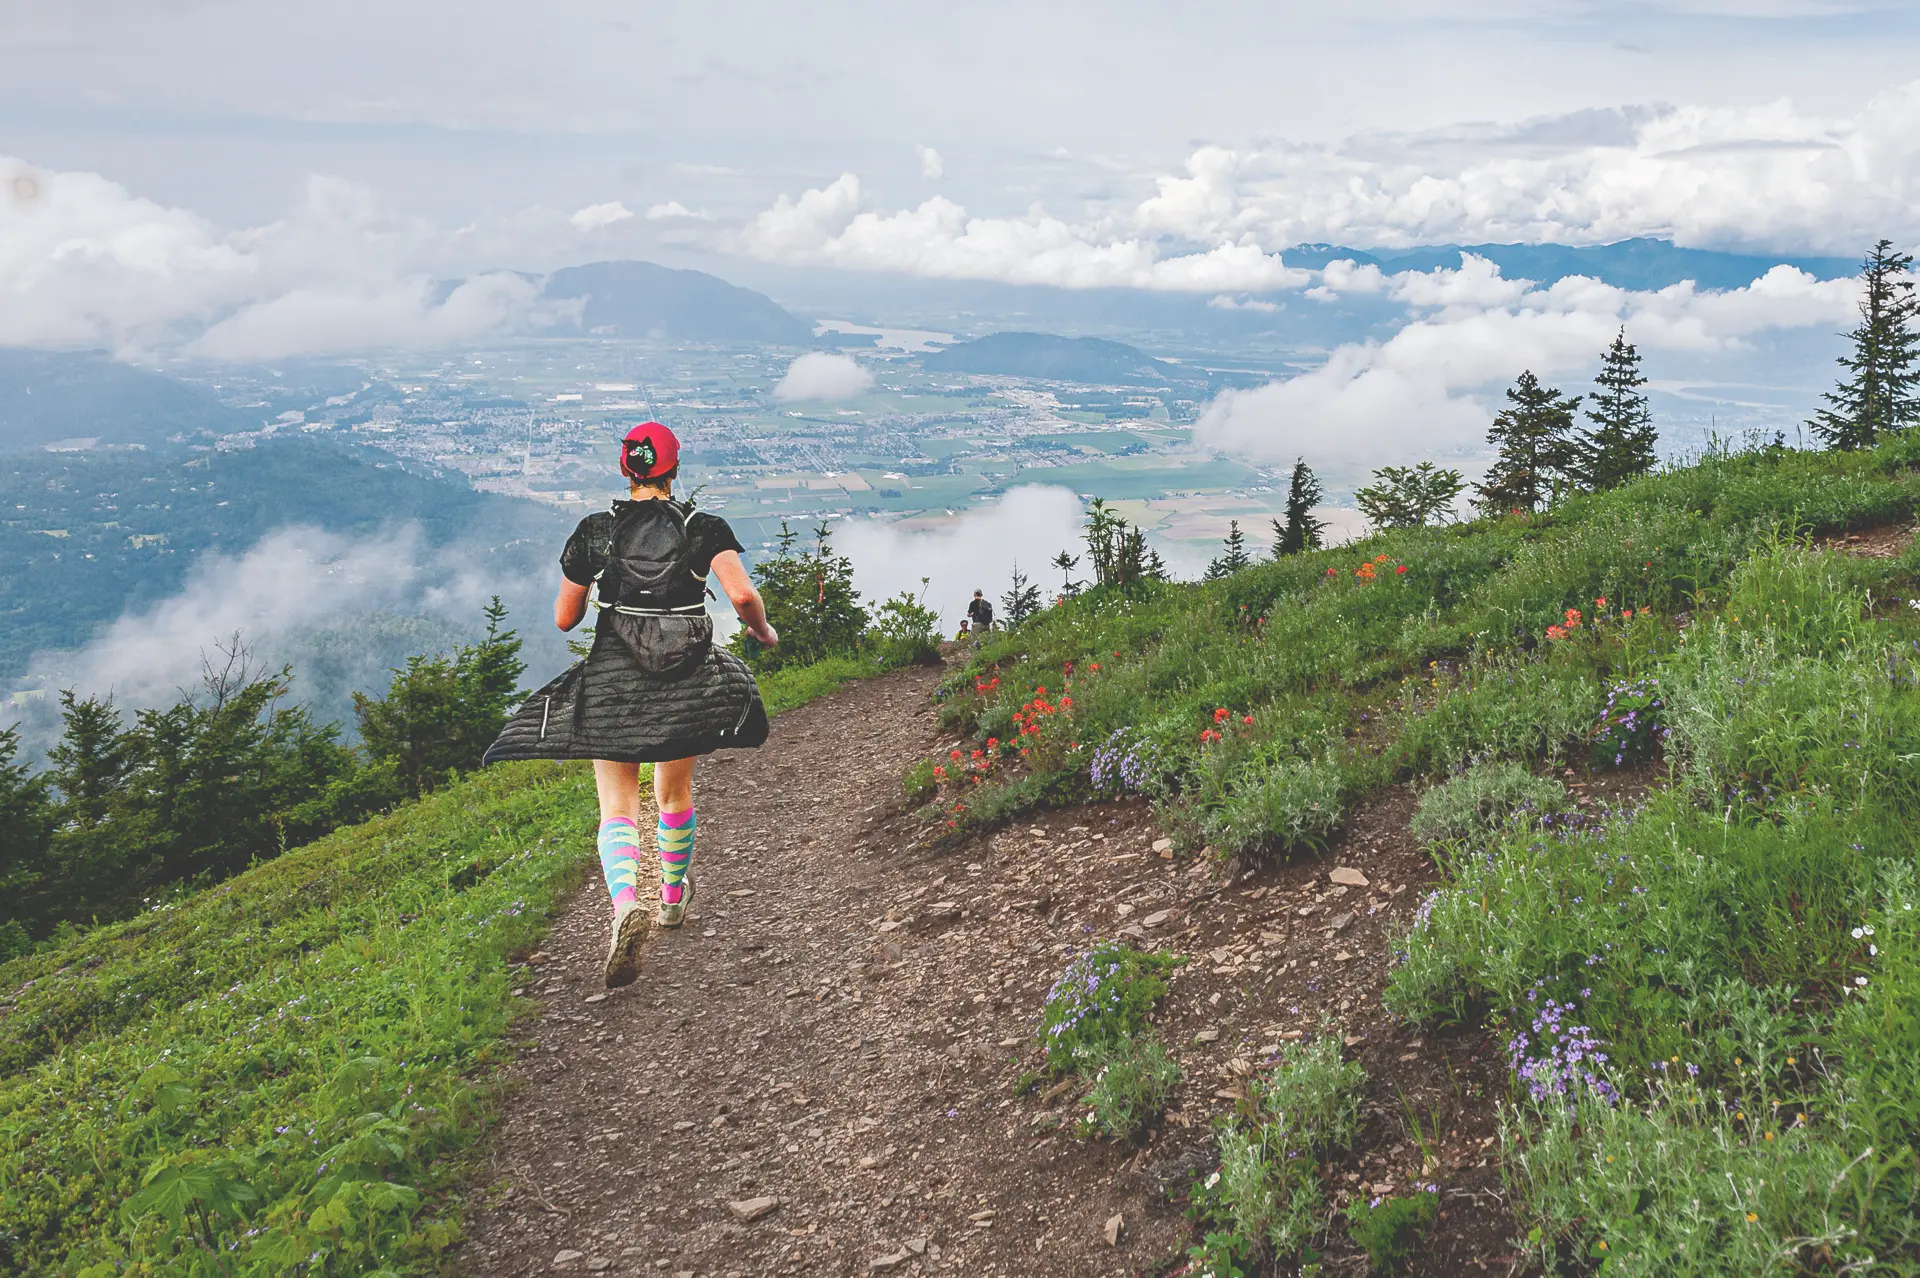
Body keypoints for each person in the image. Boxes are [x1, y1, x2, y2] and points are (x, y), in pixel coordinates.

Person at [485, 421, 778, 989]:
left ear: (627, 469)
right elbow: (741, 594)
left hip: (614, 681)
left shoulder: (597, 531)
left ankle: (624, 905)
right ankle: (671, 898)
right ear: (674, 469)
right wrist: (762, 632)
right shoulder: (703, 528)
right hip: (685, 679)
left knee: (617, 805)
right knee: (674, 792)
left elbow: (565, 617)